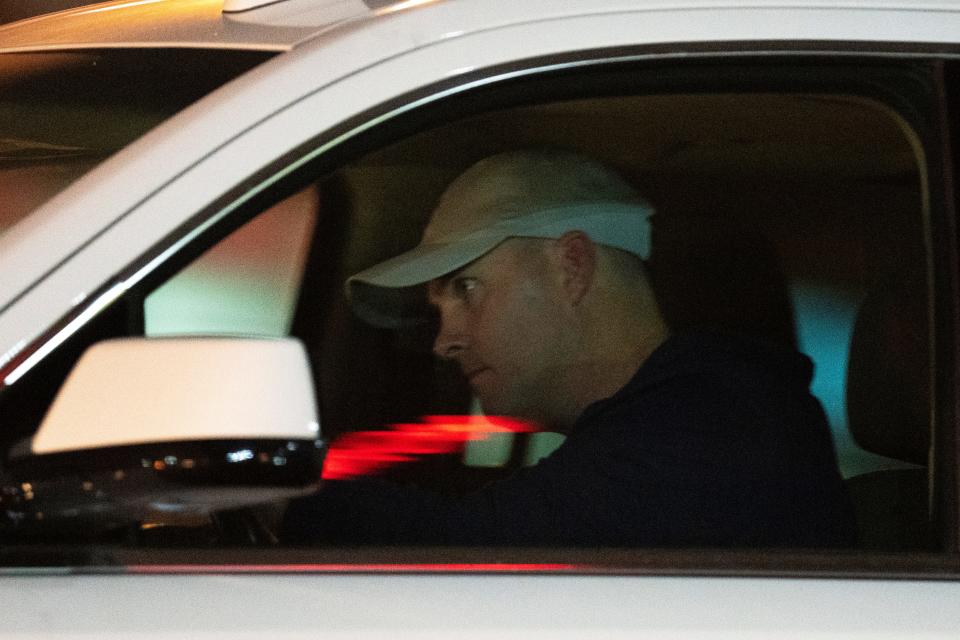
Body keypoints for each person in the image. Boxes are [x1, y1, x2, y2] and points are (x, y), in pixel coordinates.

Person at [281, 149, 856, 547]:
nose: (443, 342)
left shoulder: (712, 428)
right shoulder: (692, 414)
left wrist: (273, 490)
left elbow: (472, 554)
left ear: (572, 266)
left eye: (466, 288)